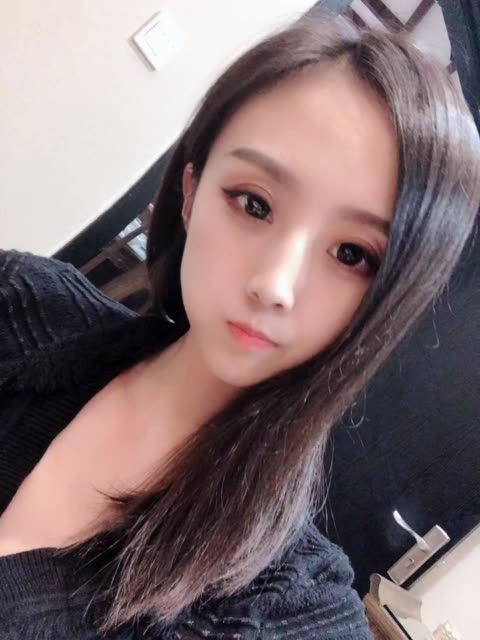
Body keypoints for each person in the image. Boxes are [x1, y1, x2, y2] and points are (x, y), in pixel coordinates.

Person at [1, 10, 479, 639]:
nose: (275, 284)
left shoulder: (290, 612)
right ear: (191, 191)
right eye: (254, 203)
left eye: (353, 254)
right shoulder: (23, 304)